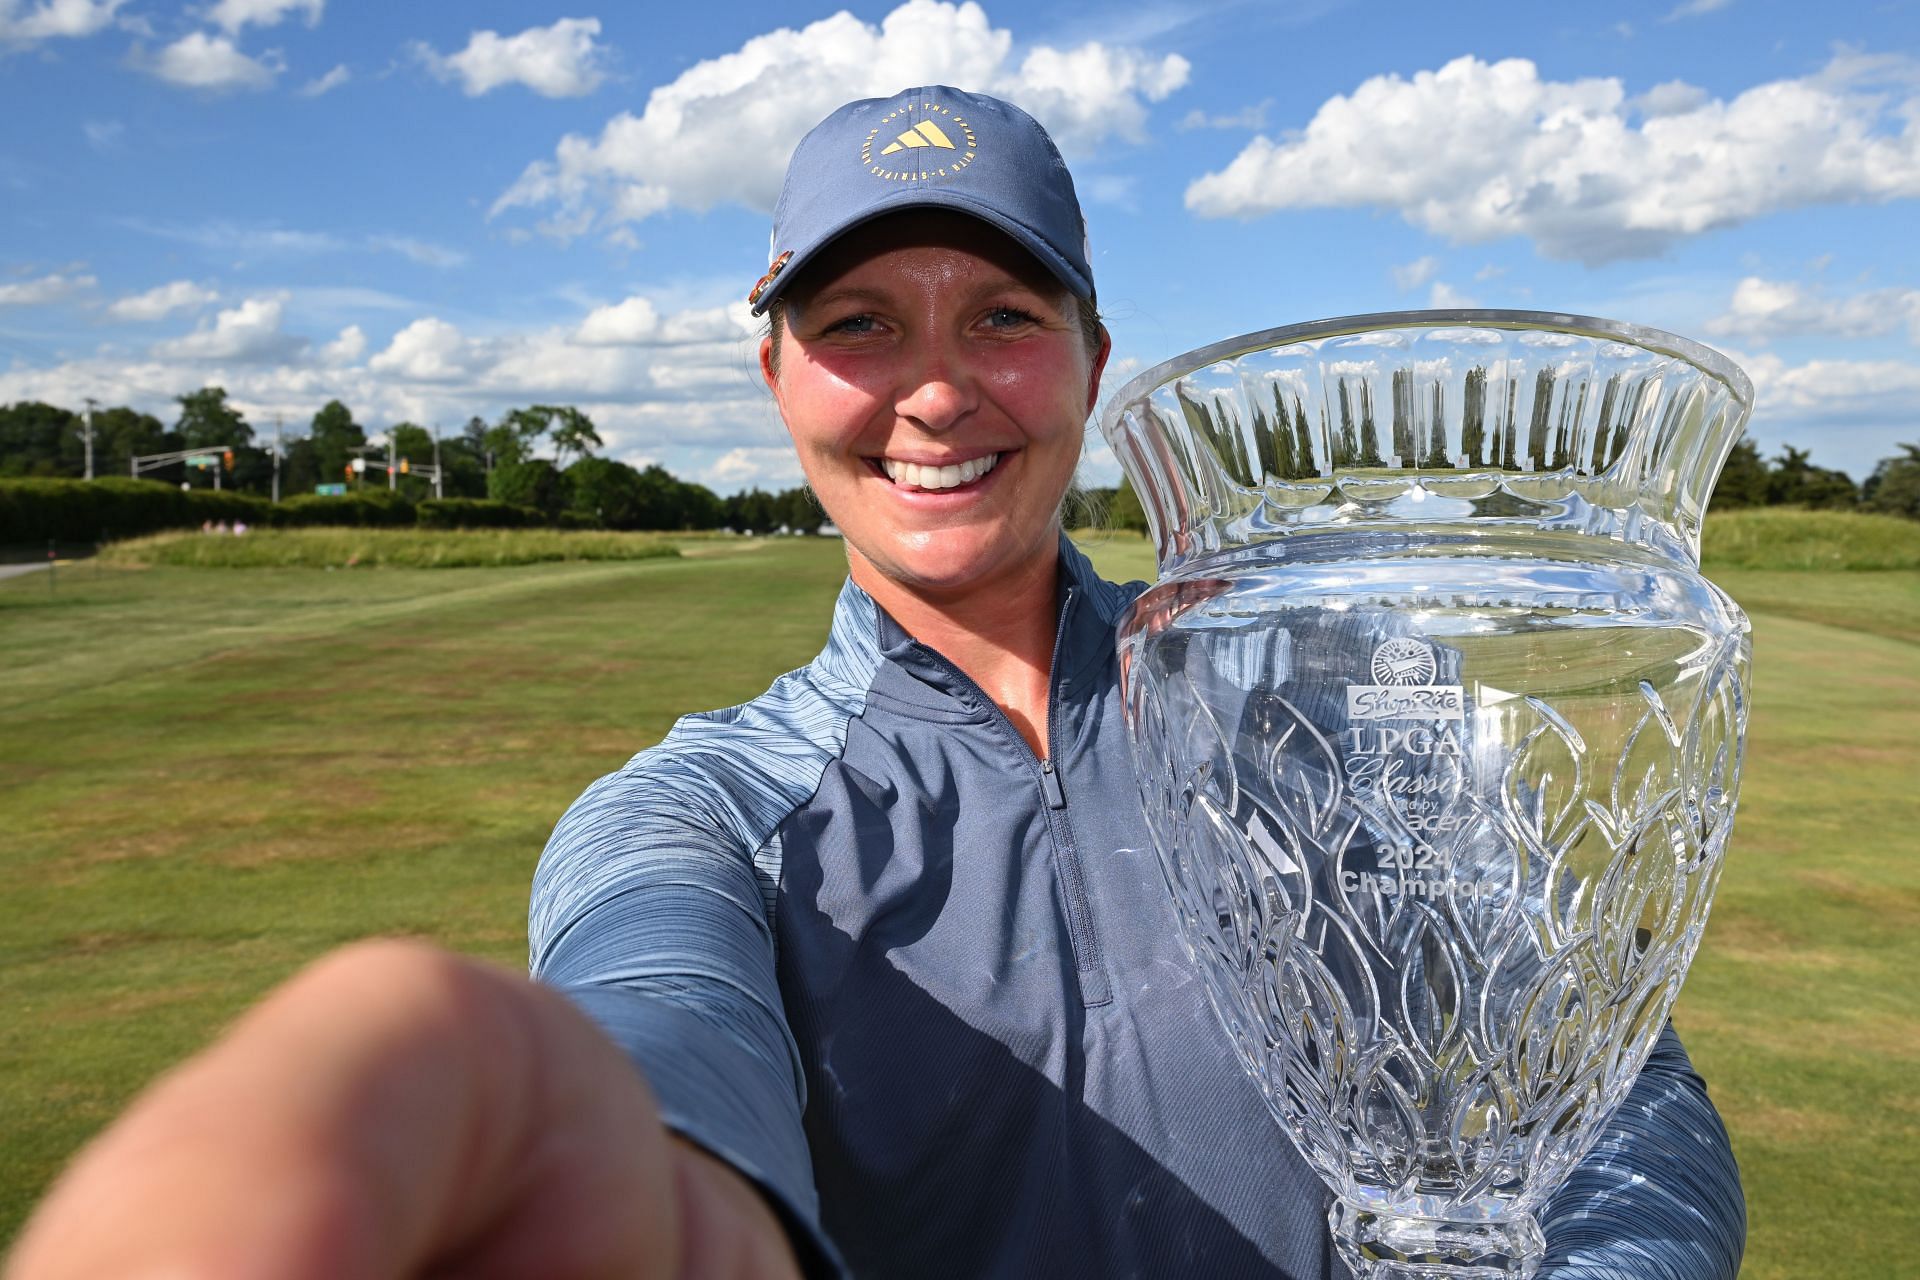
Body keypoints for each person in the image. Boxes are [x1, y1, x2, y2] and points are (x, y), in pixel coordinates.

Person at [5, 87, 1744, 1280]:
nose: (935, 392)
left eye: (1000, 314)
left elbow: (1607, 1091)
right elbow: (660, 1014)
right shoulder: (704, 813)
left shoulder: (1349, 710)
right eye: (858, 325)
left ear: (1092, 365)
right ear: (774, 375)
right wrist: (674, 1189)